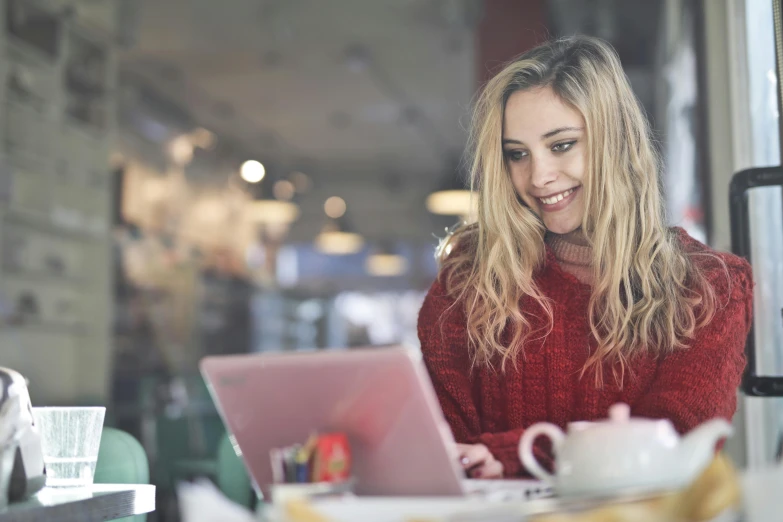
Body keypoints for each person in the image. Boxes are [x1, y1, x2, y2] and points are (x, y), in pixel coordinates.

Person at [417, 36, 753, 480]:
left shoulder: (711, 286)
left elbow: (671, 446)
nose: (538, 177)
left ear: (615, 142)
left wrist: (512, 457)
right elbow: (448, 453)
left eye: (561, 145)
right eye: (517, 154)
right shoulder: (468, 282)